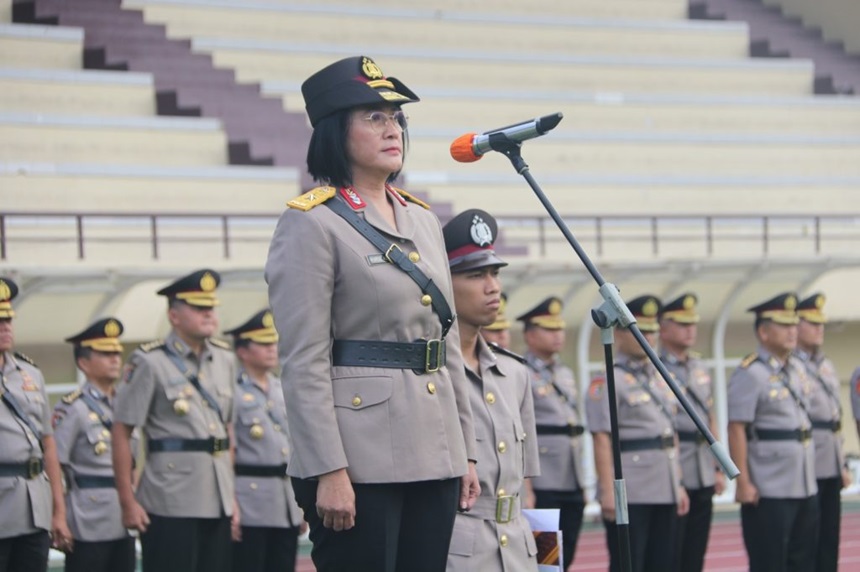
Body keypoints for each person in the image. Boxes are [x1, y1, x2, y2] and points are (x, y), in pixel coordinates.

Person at [265, 55, 480, 572]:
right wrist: (328, 469)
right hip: (359, 459)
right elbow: (304, 360)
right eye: (374, 117)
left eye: (397, 118)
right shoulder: (312, 223)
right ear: (336, 132)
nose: (393, 129)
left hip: (434, 448)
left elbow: (446, 345)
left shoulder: (422, 219)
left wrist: (466, 450)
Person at [111, 269, 238, 572]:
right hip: (170, 498)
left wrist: (231, 495)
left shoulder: (226, 359)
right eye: (199, 307)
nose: (209, 314)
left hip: (218, 496)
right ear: (174, 316)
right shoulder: (149, 361)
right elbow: (122, 431)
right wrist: (128, 501)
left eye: (211, 307)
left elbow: (227, 431)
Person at [442, 209, 540, 571]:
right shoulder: (428, 372)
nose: (493, 287)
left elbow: (524, 486)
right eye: (476, 275)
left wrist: (543, 556)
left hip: (519, 548)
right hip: (458, 551)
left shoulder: (514, 372)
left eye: (495, 273)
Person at [586, 295, 688, 572]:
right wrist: (608, 491)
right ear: (620, 334)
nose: (648, 337)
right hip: (632, 489)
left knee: (664, 563)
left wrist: (678, 483)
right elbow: (602, 437)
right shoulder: (609, 378)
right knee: (629, 564)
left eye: (652, 331)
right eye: (640, 331)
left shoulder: (661, 376)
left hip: (665, 484)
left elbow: (670, 433)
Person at [727, 292, 818, 572]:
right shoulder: (751, 373)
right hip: (769, 486)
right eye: (784, 325)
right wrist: (743, 483)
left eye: (793, 324)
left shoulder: (798, 369)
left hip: (804, 482)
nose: (793, 331)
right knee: (770, 562)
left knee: (802, 561)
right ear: (764, 332)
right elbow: (737, 427)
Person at [52, 318, 138, 572]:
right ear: (83, 363)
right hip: (88, 519)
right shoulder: (73, 408)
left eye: (116, 353)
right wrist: (58, 515)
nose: (114, 360)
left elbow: (133, 463)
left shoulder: (125, 404)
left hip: (123, 516)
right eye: (105, 354)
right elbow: (54, 463)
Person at [225, 309, 305, 572]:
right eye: (263, 344)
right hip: (251, 502)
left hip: (285, 500)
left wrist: (301, 505)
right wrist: (231, 504)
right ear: (243, 351)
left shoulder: (282, 389)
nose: (272, 349)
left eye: (273, 342)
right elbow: (228, 453)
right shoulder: (232, 392)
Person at [0, 276, 70, 572]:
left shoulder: (30, 374)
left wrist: (58, 511)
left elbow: (47, 443)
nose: (5, 327)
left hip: (33, 508)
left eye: (8, 320)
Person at [516, 296, 585, 570]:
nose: (558, 335)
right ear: (530, 335)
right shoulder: (521, 371)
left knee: (568, 552)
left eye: (560, 329)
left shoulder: (564, 372)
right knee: (545, 560)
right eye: (549, 329)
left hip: (572, 476)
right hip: (543, 480)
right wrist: (527, 488)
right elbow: (521, 430)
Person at [658, 293, 724, 572]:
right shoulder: (655, 368)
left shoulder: (699, 366)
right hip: (675, 466)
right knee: (672, 551)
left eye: (693, 323)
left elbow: (710, 415)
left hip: (703, 466)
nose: (690, 330)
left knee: (696, 552)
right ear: (663, 329)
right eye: (682, 324)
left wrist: (718, 466)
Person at [794, 292, 847, 572]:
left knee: (830, 538)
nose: (820, 329)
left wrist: (843, 463)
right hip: (806, 462)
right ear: (796, 325)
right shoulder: (792, 366)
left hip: (831, 462)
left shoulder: (826, 365)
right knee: (807, 540)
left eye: (821, 323)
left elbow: (835, 417)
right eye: (812, 323)